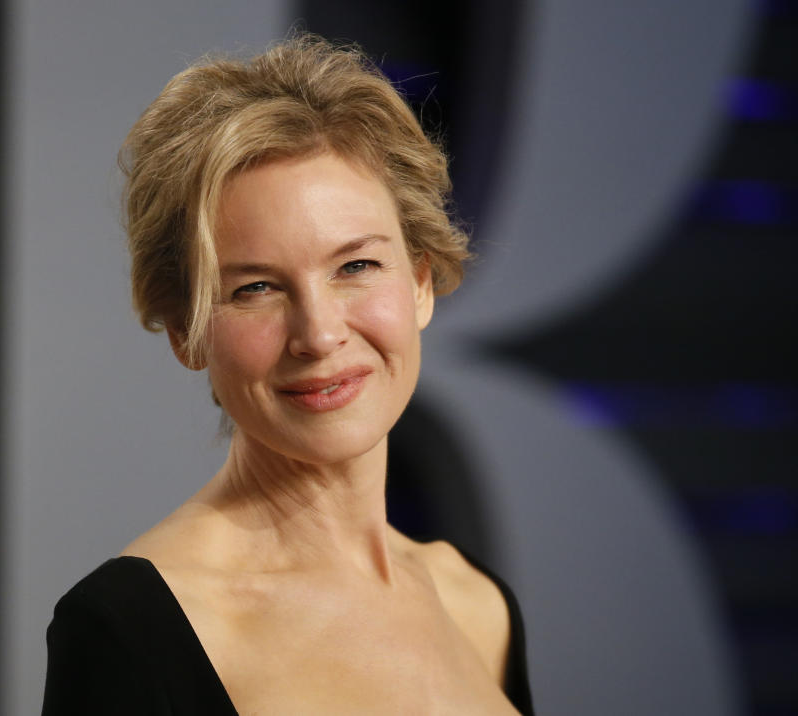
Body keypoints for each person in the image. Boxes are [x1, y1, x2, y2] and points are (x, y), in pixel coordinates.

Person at [41, 35, 534, 715]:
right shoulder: (137, 625)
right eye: (255, 289)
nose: (320, 333)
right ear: (184, 330)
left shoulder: (477, 602)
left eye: (355, 266)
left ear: (420, 282)